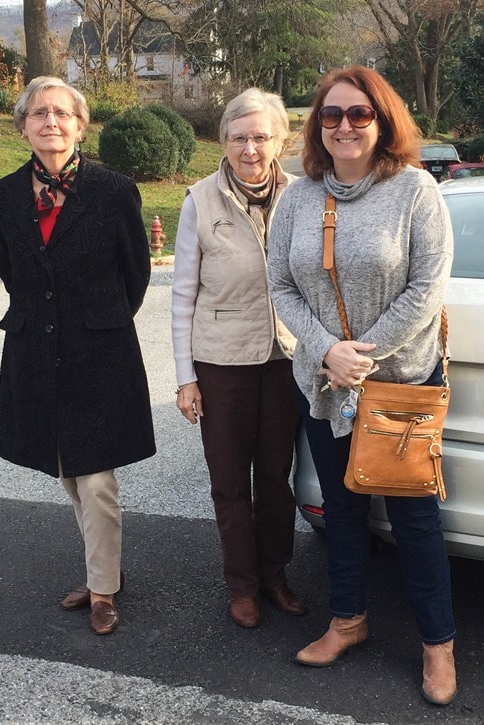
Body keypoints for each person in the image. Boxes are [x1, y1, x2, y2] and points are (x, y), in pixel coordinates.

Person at [267, 66, 456, 705]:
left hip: (396, 387)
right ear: (317, 124)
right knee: (343, 514)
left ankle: (438, 645)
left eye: (359, 114)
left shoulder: (415, 192)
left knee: (414, 520)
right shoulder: (298, 197)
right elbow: (282, 286)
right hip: (322, 384)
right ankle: (347, 621)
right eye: (331, 114)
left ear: (383, 120)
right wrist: (326, 353)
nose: (344, 126)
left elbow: (427, 288)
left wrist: (361, 357)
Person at [0, 76, 156, 636]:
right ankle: (102, 566)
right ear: (24, 127)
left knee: (96, 476)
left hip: (99, 350)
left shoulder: (114, 190)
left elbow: (136, 272)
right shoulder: (4, 195)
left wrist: (100, 320)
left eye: (62, 113)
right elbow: (12, 270)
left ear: (81, 125)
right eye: (39, 114)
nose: (51, 122)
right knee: (65, 467)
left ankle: (104, 588)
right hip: (36, 349)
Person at [171, 88, 306, 629]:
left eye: (261, 136)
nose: (250, 148)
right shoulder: (199, 200)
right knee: (229, 479)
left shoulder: (302, 195)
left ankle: (274, 575)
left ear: (280, 140)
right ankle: (241, 585)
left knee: (275, 475)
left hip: (284, 358)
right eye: (238, 137)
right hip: (221, 362)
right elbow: (183, 293)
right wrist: (186, 377)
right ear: (223, 140)